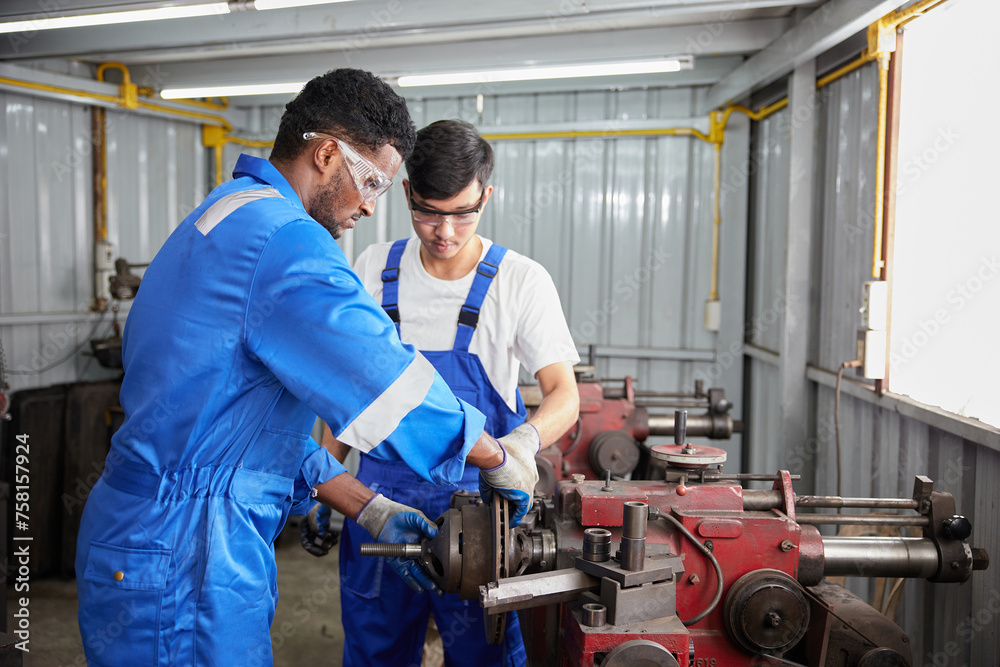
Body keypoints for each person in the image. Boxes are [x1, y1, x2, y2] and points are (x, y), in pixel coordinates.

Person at [74, 70, 539, 667]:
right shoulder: (285, 242)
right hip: (186, 551)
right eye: (371, 181)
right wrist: (496, 458)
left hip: (156, 537)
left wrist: (366, 506)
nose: (371, 205)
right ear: (326, 154)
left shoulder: (226, 212)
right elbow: (387, 384)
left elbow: (241, 432)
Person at [312, 119, 580, 666]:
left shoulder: (520, 281)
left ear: (487, 195)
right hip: (378, 509)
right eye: (428, 211)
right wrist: (326, 473)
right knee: (374, 655)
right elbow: (345, 393)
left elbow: (563, 395)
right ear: (406, 191)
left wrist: (523, 445)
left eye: (462, 212)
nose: (445, 231)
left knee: (486, 656)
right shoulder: (373, 269)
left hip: (483, 519)